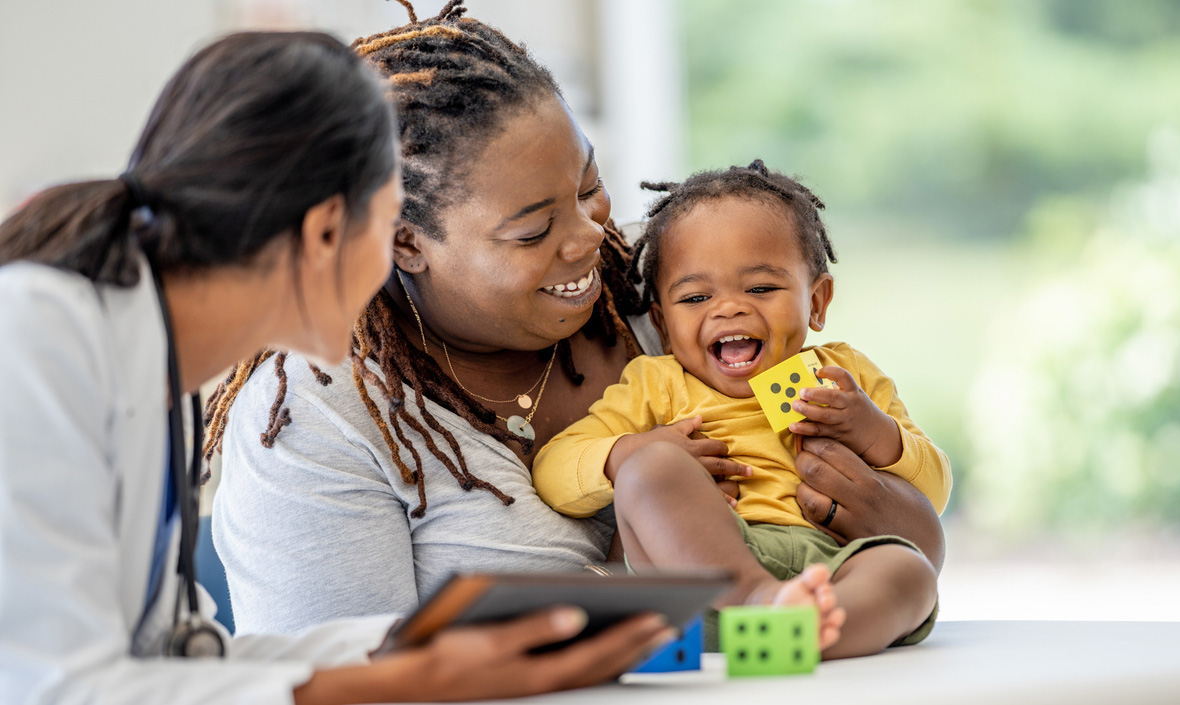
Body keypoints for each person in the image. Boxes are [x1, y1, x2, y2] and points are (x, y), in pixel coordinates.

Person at [208, 0, 946, 643]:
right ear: (405, 242)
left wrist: (879, 496)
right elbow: (338, 679)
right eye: (533, 231)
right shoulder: (318, 417)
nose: (591, 236)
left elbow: (916, 545)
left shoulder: (674, 293)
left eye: (589, 185)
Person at [0, 30, 672, 705]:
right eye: (388, 229)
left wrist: (431, 648)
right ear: (326, 232)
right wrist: (415, 678)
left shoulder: (151, 371)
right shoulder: (38, 340)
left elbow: (182, 656)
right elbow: (58, 687)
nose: (391, 275)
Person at [533, 159, 946, 658]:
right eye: (696, 296)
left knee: (909, 571)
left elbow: (934, 489)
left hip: (831, 572)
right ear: (663, 326)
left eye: (761, 288)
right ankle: (761, 602)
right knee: (651, 469)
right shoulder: (658, 383)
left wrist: (873, 432)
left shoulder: (843, 375)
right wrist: (629, 454)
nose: (727, 308)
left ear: (816, 302)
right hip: (701, 579)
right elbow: (554, 472)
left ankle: (806, 634)